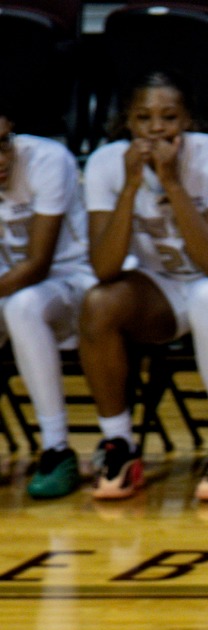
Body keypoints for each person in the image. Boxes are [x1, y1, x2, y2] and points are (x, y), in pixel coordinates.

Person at [80, 71, 208, 502]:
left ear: (187, 119)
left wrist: (171, 182)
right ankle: (118, 446)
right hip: (165, 285)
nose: (156, 128)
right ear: (128, 124)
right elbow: (104, 267)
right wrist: (132, 187)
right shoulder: (105, 163)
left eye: (168, 117)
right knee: (99, 303)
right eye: (144, 118)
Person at [0, 102, 94, 500]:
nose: (2, 158)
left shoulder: (48, 159)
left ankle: (57, 449)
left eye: (4, 142)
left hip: (76, 282)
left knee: (24, 305)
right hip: (10, 288)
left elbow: (37, 265)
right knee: (17, 304)